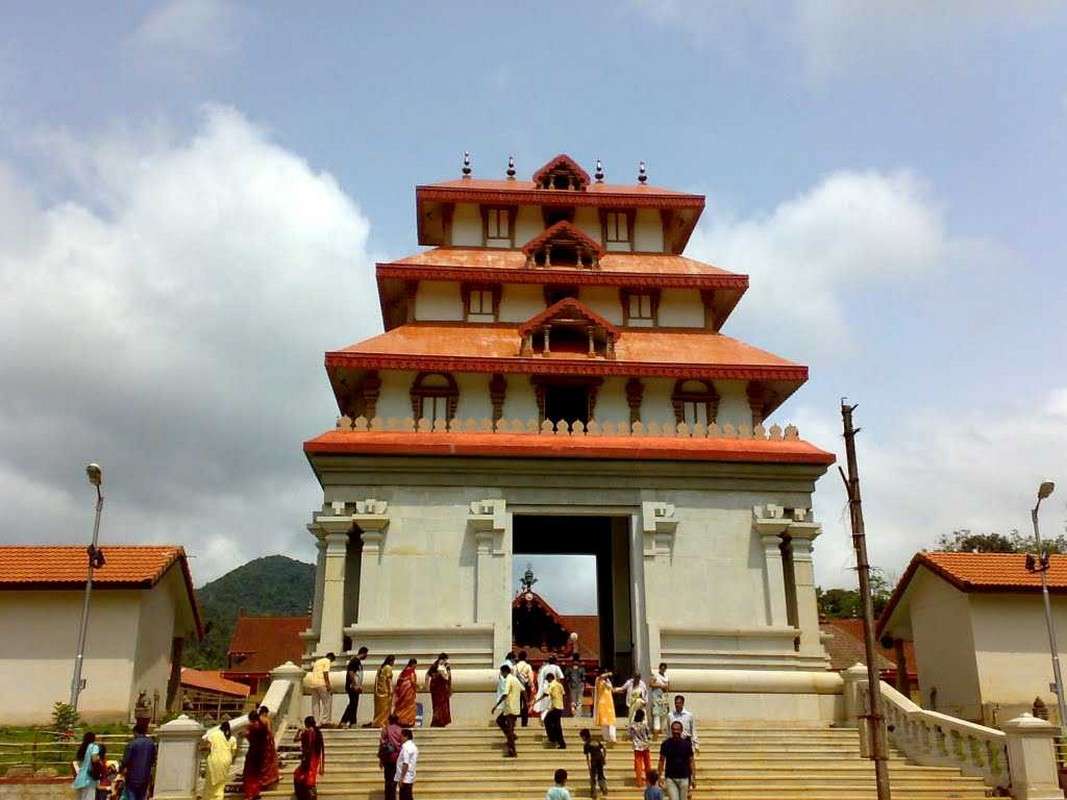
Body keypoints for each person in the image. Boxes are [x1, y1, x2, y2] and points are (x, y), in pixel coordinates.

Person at [657, 721, 696, 800]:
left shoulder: (687, 745)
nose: (676, 732)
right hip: (670, 778)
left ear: (681, 730)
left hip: (684, 778)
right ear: (671, 730)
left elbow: (691, 761)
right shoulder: (666, 744)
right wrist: (659, 776)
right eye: (674, 729)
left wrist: (693, 777)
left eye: (678, 729)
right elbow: (661, 760)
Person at [119, 719, 157, 800]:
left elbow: (125, 760)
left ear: (135, 732)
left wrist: (121, 769)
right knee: (142, 797)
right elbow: (153, 760)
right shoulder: (151, 744)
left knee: (131, 796)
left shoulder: (132, 744)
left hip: (132, 777)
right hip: (145, 776)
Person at [491, 663, 522, 757]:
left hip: (510, 708)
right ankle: (512, 736)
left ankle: (512, 750)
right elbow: (523, 689)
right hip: (514, 707)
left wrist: (496, 705)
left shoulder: (508, 679)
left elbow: (505, 694)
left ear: (504, 672)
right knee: (500, 720)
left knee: (509, 727)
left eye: (502, 673)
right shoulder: (515, 679)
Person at [201, 721, 237, 800]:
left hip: (214, 760)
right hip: (226, 761)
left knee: (210, 782)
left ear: (220, 727)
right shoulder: (233, 738)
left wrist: (200, 748)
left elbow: (208, 746)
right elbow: (233, 753)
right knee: (221, 784)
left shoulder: (214, 735)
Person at [293, 715, 325, 800]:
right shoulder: (318, 732)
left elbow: (295, 739)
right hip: (315, 758)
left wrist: (299, 731)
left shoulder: (307, 732)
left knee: (303, 778)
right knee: (310, 779)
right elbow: (321, 748)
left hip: (309, 758)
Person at [241, 708, 269, 800]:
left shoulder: (251, 727)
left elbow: (247, 736)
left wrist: (244, 734)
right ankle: (256, 792)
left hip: (253, 751)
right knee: (257, 773)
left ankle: (250, 794)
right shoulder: (263, 726)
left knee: (249, 773)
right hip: (261, 752)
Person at [341, 646, 369, 728]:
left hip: (356, 686)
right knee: (352, 704)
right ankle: (345, 721)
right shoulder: (354, 661)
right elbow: (351, 672)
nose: (366, 656)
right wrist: (355, 684)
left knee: (354, 704)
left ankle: (352, 722)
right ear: (363, 653)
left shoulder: (358, 662)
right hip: (352, 686)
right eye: (366, 654)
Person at [378, 714, 404, 800]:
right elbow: (402, 745)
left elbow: (382, 745)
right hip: (397, 758)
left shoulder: (386, 729)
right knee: (394, 781)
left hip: (387, 757)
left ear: (389, 720)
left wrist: (381, 760)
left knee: (387, 780)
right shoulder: (400, 730)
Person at [579, 728, 608, 799]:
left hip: (594, 760)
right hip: (600, 759)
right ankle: (604, 788)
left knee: (593, 776)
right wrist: (604, 757)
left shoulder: (586, 744)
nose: (582, 739)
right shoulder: (596, 740)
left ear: (584, 736)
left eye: (582, 737)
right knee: (601, 774)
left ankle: (594, 792)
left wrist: (588, 765)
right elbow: (604, 748)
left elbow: (587, 756)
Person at [425, 653, 452, 727]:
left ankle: (442, 721)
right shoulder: (435, 665)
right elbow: (427, 675)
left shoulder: (446, 666)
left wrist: (449, 688)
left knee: (443, 705)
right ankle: (436, 721)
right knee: (436, 706)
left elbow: (449, 677)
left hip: (443, 689)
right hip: (436, 689)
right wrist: (426, 686)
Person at [71, 731, 100, 800]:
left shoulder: (82, 748)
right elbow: (94, 759)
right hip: (89, 778)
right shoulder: (94, 747)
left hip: (80, 777)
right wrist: (99, 758)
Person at [308, 651, 335, 725]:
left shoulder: (317, 662)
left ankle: (316, 721)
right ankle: (325, 720)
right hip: (321, 683)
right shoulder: (327, 661)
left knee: (315, 703)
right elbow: (325, 673)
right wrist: (328, 684)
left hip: (313, 683)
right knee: (326, 702)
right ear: (331, 658)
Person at [257, 706, 280, 792]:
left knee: (260, 763)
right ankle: (267, 781)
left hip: (257, 744)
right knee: (269, 762)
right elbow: (269, 732)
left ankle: (260, 781)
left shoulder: (256, 720)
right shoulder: (266, 720)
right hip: (266, 744)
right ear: (265, 712)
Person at [393, 658, 419, 727]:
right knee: (409, 706)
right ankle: (408, 721)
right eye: (415, 665)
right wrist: (418, 687)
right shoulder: (412, 672)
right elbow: (413, 681)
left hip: (402, 692)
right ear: (413, 664)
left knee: (401, 705)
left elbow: (399, 682)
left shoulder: (403, 671)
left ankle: (399, 719)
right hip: (409, 692)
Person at [628, 708, 652, 787]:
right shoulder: (644, 724)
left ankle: (639, 781)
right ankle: (649, 780)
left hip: (637, 746)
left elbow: (630, 735)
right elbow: (648, 734)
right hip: (645, 746)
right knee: (647, 763)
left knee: (638, 764)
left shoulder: (632, 725)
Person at [542, 673, 566, 749]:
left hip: (555, 707)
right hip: (560, 707)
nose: (548, 681)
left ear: (550, 678)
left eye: (548, 680)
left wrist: (541, 697)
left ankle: (552, 738)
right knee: (557, 725)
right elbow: (563, 694)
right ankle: (561, 743)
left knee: (546, 720)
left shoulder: (551, 684)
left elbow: (546, 693)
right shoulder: (559, 685)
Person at [593, 670, 617, 743]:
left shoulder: (608, 681)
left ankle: (612, 737)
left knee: (611, 721)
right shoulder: (598, 680)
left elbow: (611, 688)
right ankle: (606, 737)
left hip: (609, 703)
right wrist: (608, 673)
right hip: (602, 703)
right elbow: (600, 677)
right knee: (604, 722)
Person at [373, 655, 397, 727]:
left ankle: (377, 722)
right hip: (385, 690)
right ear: (391, 661)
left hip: (378, 691)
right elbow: (388, 680)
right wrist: (391, 690)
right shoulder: (388, 668)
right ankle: (382, 722)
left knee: (379, 708)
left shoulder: (381, 668)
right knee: (385, 708)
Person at [395, 728, 418, 800]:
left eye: (401, 736)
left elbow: (405, 763)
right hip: (410, 777)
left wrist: (401, 778)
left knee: (404, 797)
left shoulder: (406, 747)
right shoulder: (413, 746)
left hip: (405, 777)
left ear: (406, 737)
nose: (400, 738)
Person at [513, 650, 533, 727]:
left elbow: (513, 677)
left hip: (517, 687)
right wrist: (530, 686)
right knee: (525, 704)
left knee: (516, 704)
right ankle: (524, 723)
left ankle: (514, 721)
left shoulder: (515, 667)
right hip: (525, 687)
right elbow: (530, 678)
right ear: (525, 657)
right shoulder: (528, 666)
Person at [649, 664, 670, 737]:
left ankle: (662, 728)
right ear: (659, 668)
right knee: (656, 713)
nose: (663, 670)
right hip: (656, 696)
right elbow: (651, 684)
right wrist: (660, 685)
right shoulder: (655, 675)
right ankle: (656, 729)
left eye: (664, 669)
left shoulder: (666, 677)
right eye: (662, 668)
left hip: (664, 696)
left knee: (664, 713)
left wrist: (666, 689)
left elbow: (668, 686)